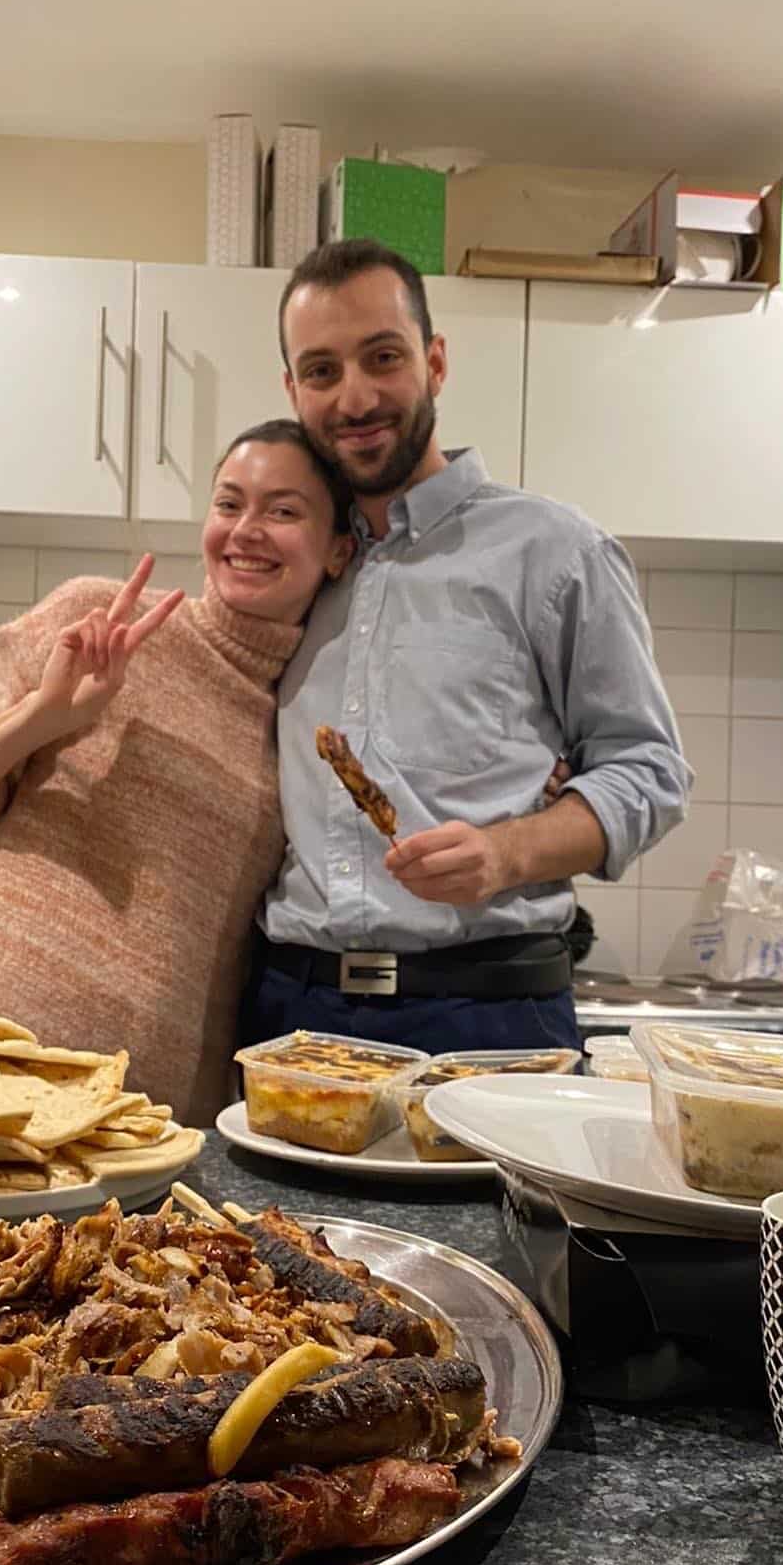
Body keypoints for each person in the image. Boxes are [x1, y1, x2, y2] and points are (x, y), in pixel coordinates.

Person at [244, 239, 692, 1056]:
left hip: (488, 1016)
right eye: (321, 371)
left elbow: (651, 774)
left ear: (435, 361)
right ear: (292, 389)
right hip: (290, 1008)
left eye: (383, 357)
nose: (354, 397)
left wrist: (506, 850)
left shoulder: (556, 552)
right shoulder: (293, 563)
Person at [0, 420, 353, 1125]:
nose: (247, 530)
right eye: (229, 504)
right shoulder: (101, 625)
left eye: (283, 511)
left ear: (339, 550)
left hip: (136, 1114)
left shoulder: (303, 722)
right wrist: (44, 716)